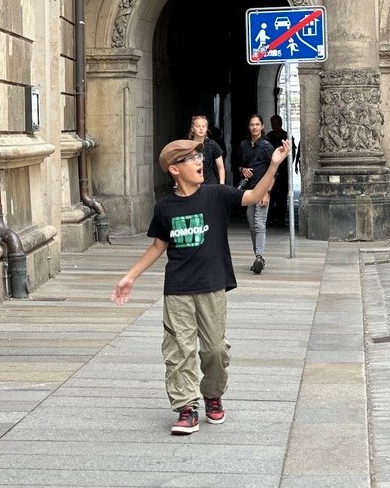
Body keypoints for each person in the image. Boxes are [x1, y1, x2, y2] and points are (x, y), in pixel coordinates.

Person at [111, 137, 291, 435]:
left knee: (215, 351)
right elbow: (158, 246)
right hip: (178, 288)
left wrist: (273, 165)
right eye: (192, 160)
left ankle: (212, 395)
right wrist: (130, 276)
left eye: (199, 158)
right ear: (174, 169)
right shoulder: (165, 207)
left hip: (212, 285)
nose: (199, 163)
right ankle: (186, 408)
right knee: (179, 349)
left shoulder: (216, 195)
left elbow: (255, 194)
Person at [239, 115, 276, 274]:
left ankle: (259, 256)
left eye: (257, 124)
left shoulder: (268, 147)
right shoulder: (243, 145)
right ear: (249, 127)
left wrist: (267, 193)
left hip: (262, 190)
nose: (254, 127)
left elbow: (273, 172)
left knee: (259, 223)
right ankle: (258, 256)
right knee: (252, 225)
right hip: (248, 191)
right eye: (252, 124)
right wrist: (243, 170)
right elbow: (239, 165)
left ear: (262, 126)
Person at [187, 114, 225, 185]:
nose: (201, 129)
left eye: (203, 126)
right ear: (192, 128)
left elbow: (220, 167)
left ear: (206, 128)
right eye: (198, 126)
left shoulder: (212, 145)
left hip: (210, 183)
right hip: (193, 183)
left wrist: (222, 184)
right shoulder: (187, 146)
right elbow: (181, 167)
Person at [266, 115, 289, 226]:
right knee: (270, 193)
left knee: (282, 195)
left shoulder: (286, 136)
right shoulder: (268, 137)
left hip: (283, 171)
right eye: (273, 123)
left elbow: (291, 152)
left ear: (281, 123)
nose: (275, 126)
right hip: (271, 170)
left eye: (277, 123)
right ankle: (270, 217)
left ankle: (281, 217)